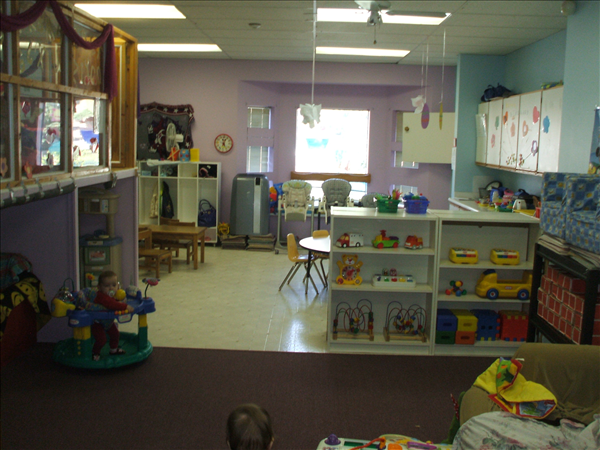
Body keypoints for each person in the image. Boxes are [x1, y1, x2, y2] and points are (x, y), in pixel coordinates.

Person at [91, 270, 134, 361]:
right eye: (107, 286)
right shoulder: (101, 296)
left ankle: (113, 349)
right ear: (99, 287)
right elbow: (111, 304)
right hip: (98, 322)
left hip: (108, 321)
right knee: (101, 339)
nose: (111, 288)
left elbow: (115, 301)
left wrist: (122, 300)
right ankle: (95, 352)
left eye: (114, 285)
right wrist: (125, 306)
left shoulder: (113, 295)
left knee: (115, 334)